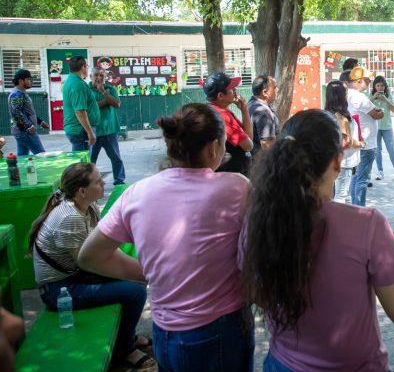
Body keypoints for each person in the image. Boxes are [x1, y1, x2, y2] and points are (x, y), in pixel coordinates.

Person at [240, 109, 394, 371]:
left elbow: (254, 293)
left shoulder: (257, 220)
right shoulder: (367, 224)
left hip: (281, 364)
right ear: (337, 162)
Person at [78, 104, 254, 371]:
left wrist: (149, 273)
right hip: (220, 331)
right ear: (213, 148)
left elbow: (90, 256)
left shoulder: (136, 193)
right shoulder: (236, 187)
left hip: (165, 334)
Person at [29, 162, 154, 369]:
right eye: (98, 181)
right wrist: (141, 272)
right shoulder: (70, 217)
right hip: (59, 290)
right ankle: (125, 349)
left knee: (134, 282)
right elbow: (90, 263)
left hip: (76, 274)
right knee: (135, 292)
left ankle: (128, 336)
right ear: (82, 191)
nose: (104, 183)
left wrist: (138, 271)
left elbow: (102, 250)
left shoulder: (87, 206)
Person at [204, 72, 254, 175]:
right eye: (232, 89)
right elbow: (248, 145)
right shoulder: (221, 115)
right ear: (221, 95)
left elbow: (247, 136)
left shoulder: (214, 110)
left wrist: (244, 110)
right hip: (230, 174)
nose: (235, 91)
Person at [347, 66, 384, 206]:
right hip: (366, 144)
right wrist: (381, 112)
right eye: (367, 80)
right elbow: (377, 114)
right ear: (359, 81)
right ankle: (359, 210)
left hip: (357, 143)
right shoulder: (359, 97)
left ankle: (356, 208)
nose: (369, 83)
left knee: (356, 178)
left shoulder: (346, 94)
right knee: (362, 180)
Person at [325, 80, 364, 203]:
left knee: (332, 196)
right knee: (341, 196)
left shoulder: (326, 114)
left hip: (332, 161)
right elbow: (346, 142)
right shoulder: (340, 117)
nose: (348, 94)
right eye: (346, 91)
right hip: (343, 163)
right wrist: (361, 144)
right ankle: (336, 222)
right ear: (341, 95)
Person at [89, 68, 125, 185]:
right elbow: (89, 107)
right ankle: (90, 184)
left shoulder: (110, 89)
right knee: (90, 161)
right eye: (96, 75)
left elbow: (117, 104)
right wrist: (107, 101)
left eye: (101, 75)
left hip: (110, 130)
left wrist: (103, 92)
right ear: (90, 76)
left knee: (116, 158)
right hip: (93, 132)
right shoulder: (86, 90)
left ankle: (119, 181)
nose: (99, 78)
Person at [63, 56, 100, 151]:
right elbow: (80, 111)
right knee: (82, 164)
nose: (87, 68)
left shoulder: (71, 81)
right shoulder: (77, 84)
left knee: (82, 163)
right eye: (87, 66)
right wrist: (90, 132)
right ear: (83, 67)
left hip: (78, 130)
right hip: (80, 131)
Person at [8, 69, 49, 155]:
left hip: (21, 131)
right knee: (41, 155)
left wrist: (40, 122)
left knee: (22, 157)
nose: (31, 81)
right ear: (21, 81)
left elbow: (27, 112)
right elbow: (16, 112)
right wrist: (29, 126)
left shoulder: (22, 93)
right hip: (25, 132)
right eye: (29, 79)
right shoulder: (17, 94)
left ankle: (20, 168)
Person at [371, 75, 394, 181]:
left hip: (387, 127)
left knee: (391, 149)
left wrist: (386, 100)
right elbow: (364, 108)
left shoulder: (389, 95)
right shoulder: (371, 95)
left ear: (385, 87)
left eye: (382, 86)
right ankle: (380, 171)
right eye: (378, 86)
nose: (380, 88)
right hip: (375, 127)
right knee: (377, 150)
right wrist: (373, 98)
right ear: (374, 86)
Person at [247, 75, 280, 153]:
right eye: (275, 87)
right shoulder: (263, 113)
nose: (277, 90)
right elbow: (267, 145)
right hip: (262, 161)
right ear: (265, 92)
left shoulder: (251, 103)